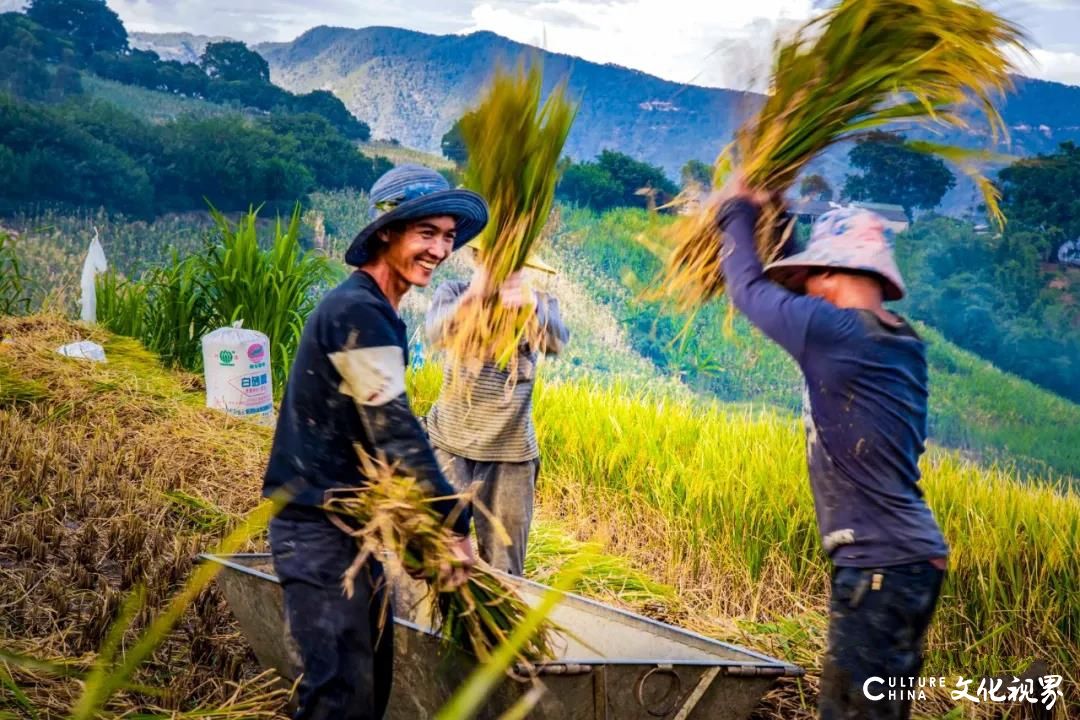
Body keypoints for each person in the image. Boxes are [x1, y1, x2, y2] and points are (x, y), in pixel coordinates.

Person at [262, 164, 487, 720]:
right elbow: (393, 429)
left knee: (367, 692)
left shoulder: (375, 311)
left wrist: (414, 535)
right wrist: (452, 525)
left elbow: (370, 438)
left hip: (351, 533)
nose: (439, 249)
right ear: (388, 231)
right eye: (426, 233)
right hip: (316, 533)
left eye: (448, 237)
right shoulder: (358, 312)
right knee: (339, 699)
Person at [717, 183, 949, 720]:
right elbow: (798, 300)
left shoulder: (833, 332)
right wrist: (775, 217)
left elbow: (749, 289)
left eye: (812, 276)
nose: (807, 291)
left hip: (880, 568)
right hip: (907, 561)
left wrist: (736, 210)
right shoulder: (897, 337)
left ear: (833, 273)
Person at [423, 243, 569, 575]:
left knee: (505, 569)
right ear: (477, 260)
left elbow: (557, 341)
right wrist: (473, 297)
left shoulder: (539, 303)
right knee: (437, 557)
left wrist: (531, 306)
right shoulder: (455, 293)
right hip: (450, 446)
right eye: (492, 262)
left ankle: (499, 625)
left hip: (511, 457)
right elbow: (436, 332)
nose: (501, 271)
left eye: (511, 264)